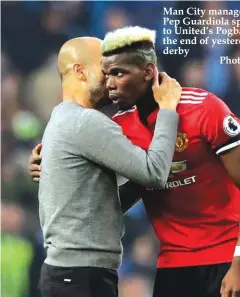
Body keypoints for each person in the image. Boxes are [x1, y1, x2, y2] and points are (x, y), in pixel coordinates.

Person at [29, 27, 240, 297]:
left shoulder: (203, 108)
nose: (110, 84)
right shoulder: (119, 126)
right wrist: (51, 165)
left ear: (148, 72)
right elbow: (112, 193)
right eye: (106, 75)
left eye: (118, 73)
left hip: (228, 257)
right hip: (173, 265)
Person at [35, 36, 182, 297]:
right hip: (81, 275)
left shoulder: (62, 117)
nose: (111, 80)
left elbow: (101, 203)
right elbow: (154, 172)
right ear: (79, 70)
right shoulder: (86, 122)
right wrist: (168, 109)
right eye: (104, 70)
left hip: (73, 272)